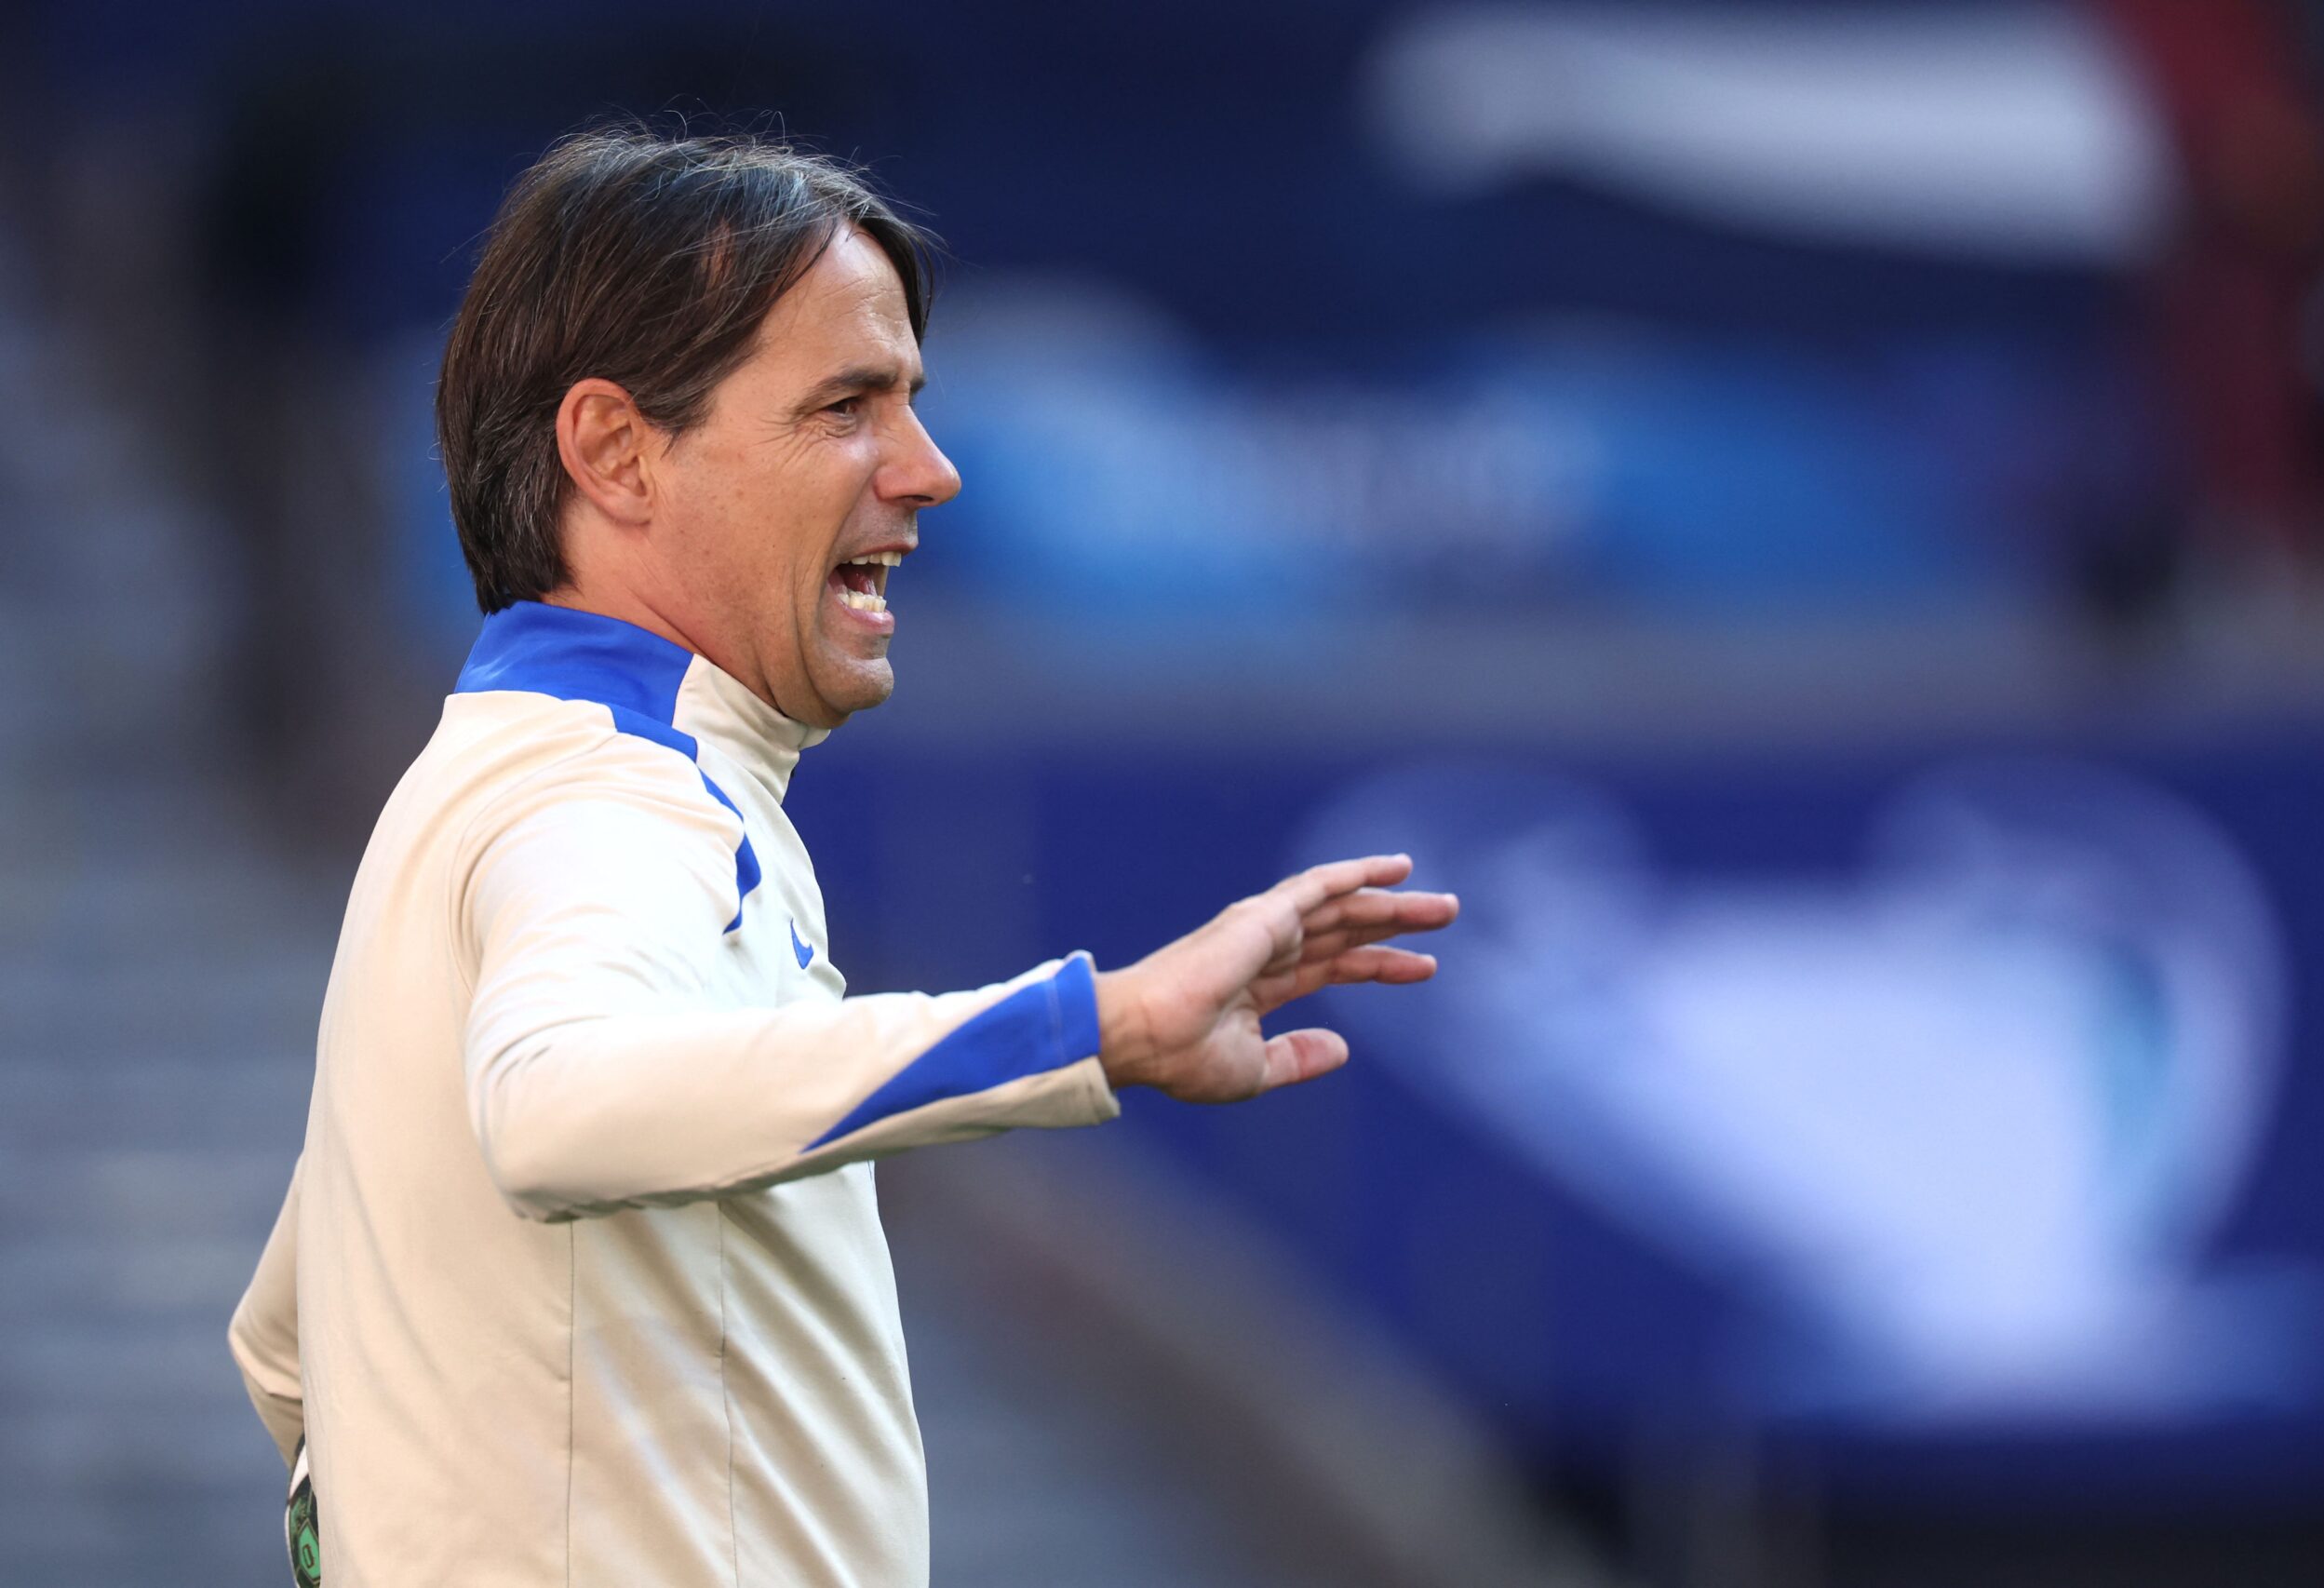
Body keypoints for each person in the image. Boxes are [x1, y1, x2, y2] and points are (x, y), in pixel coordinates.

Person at [226, 128, 1458, 1587]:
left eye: (910, 404)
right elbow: (552, 1111)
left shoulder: (488, 775)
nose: (931, 471)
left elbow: (287, 1340)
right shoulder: (619, 802)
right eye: (848, 405)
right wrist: (1102, 1024)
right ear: (615, 452)